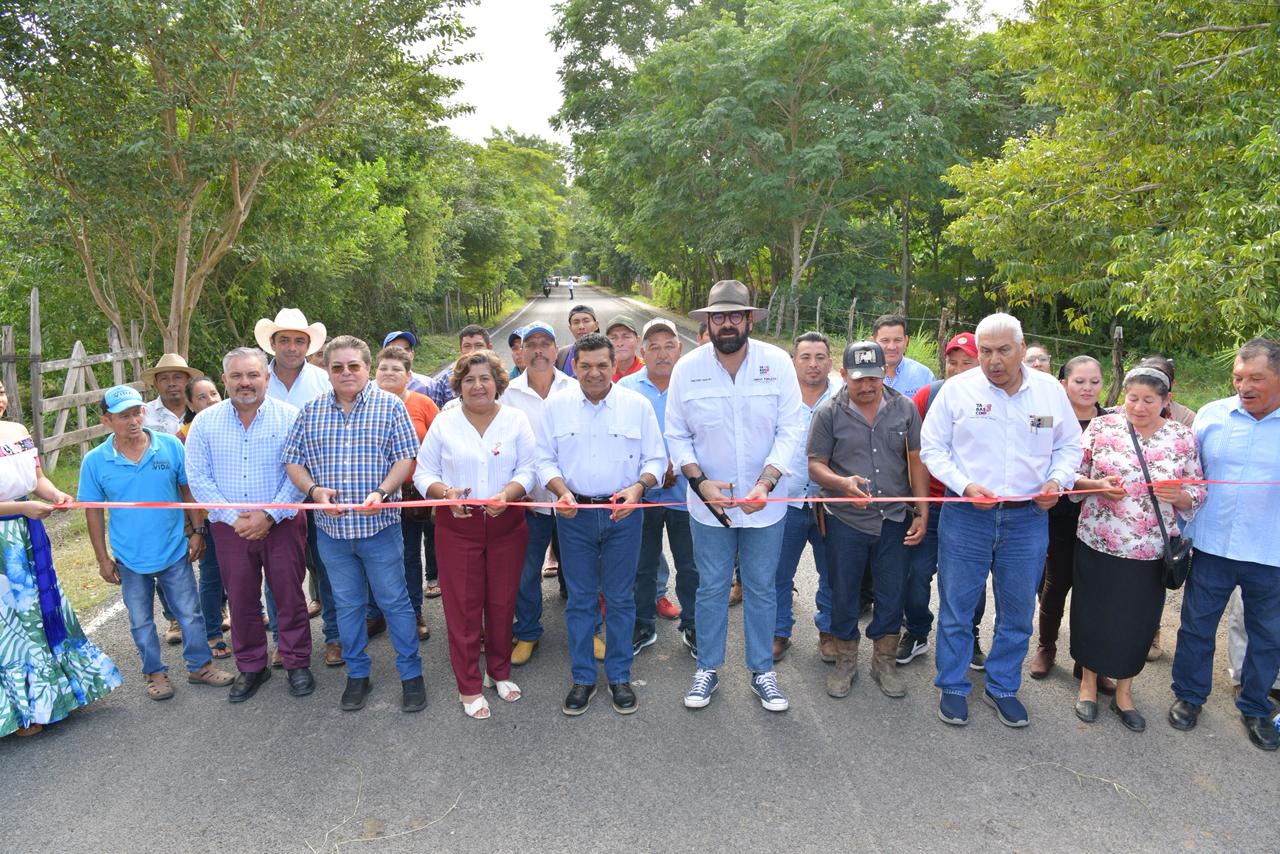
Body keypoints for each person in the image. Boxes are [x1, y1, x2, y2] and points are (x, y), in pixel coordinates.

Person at [920, 312, 1081, 728]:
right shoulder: (957, 391)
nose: (994, 360)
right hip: (966, 515)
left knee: (1017, 610)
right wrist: (965, 485)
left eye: (1003, 350)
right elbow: (932, 449)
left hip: (1028, 519)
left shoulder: (1048, 392)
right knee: (957, 607)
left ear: (1022, 349)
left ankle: (1003, 686)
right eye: (986, 351)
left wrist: (1057, 482)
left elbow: (1069, 446)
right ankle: (953, 685)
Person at [666, 280, 804, 712]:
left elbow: (791, 429)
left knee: (762, 587)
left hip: (765, 505)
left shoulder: (777, 363)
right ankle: (707, 668)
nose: (727, 324)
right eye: (719, 316)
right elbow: (677, 433)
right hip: (710, 508)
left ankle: (763, 672)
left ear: (748, 319)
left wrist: (766, 483)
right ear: (708, 321)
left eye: (735, 316)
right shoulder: (687, 368)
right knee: (710, 588)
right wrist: (700, 483)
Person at [282, 335, 425, 713]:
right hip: (333, 535)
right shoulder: (310, 411)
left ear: (366, 368)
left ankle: (411, 675)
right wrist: (313, 491)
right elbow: (292, 461)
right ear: (326, 371)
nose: (346, 373)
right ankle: (357, 674)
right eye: (337, 367)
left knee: (395, 603)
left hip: (381, 530)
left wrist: (382, 491)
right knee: (347, 606)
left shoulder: (391, 407)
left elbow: (406, 459)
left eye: (354, 366)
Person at [1068, 367, 1205, 731]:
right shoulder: (1102, 428)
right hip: (1098, 538)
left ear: (1166, 401)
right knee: (1091, 613)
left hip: (1150, 549)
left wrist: (1180, 496)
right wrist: (1095, 484)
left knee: (1137, 622)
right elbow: (1070, 476)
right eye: (1132, 399)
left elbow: (1199, 490)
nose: (1139, 407)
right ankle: (1087, 686)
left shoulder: (1181, 438)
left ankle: (1125, 693)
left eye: (1149, 400)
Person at [537, 333, 665, 716]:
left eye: (602, 366)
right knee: (580, 600)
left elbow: (656, 460)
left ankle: (620, 676)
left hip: (622, 515)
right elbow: (544, 461)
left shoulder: (636, 405)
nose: (594, 373)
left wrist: (638, 489)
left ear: (615, 366)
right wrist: (560, 491)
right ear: (574, 366)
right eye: (586, 365)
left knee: (621, 598)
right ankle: (582, 679)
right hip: (574, 516)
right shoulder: (556, 407)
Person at [79, 385, 235, 700]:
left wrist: (197, 531)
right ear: (106, 420)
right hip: (128, 557)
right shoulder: (95, 461)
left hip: (174, 549)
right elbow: (93, 512)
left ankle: (200, 666)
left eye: (137, 412)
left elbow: (186, 489)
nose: (133, 420)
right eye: (124, 416)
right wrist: (102, 559)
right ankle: (155, 673)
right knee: (140, 620)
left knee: (189, 613)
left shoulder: (168, 446)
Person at [186, 348, 315, 703]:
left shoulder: (291, 417)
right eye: (237, 376)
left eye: (253, 375)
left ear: (266, 379)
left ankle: (296, 661)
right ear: (224, 379)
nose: (246, 383)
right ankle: (251, 666)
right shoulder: (205, 423)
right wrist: (234, 519)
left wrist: (269, 515)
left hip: (283, 521)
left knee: (289, 595)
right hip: (231, 529)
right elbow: (198, 478)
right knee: (241, 599)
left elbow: (301, 473)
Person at [1170, 338, 1280, 751]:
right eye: (1238, 377)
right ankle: (1189, 695)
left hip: (1271, 551)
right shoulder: (1213, 416)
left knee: (1267, 635)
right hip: (1213, 545)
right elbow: (1187, 472)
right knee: (1197, 626)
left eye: (1256, 378)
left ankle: (1254, 704)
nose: (1244, 386)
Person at [416, 350, 535, 719]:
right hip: (457, 528)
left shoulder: (516, 420)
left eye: (485, 378)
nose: (478, 386)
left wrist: (510, 493)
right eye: (469, 380)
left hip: (507, 526)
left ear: (498, 383)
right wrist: (444, 493)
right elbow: (423, 474)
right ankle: (468, 684)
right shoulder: (444, 422)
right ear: (458, 386)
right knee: (464, 609)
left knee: (501, 604)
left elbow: (529, 469)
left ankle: (498, 672)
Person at [0, 381, 122, 737]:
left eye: (3, 391)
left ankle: (55, 695)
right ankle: (23, 711)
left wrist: (58, 495)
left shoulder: (17, 431)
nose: (1, 399)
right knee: (12, 622)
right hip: (4, 538)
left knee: (40, 609)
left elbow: (37, 479)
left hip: (26, 532)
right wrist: (24, 507)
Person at [807, 342, 928, 699]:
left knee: (892, 592)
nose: (867, 387)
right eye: (859, 379)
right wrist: (841, 484)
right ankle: (846, 661)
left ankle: (884, 661)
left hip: (894, 519)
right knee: (844, 592)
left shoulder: (904, 409)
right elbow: (815, 464)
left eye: (874, 378)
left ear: (884, 374)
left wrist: (922, 511)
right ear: (843, 375)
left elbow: (916, 460)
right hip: (846, 520)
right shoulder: (828, 413)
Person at [898, 333, 988, 669]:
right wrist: (919, 505)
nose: (959, 368)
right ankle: (918, 630)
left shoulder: (993, 400)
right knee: (916, 573)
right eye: (953, 361)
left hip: (970, 507)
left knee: (969, 578)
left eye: (968, 361)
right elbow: (914, 454)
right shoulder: (928, 395)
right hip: (931, 503)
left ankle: (971, 634)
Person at [257, 308, 341, 666]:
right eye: (285, 340)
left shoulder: (323, 380)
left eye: (299, 341)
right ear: (273, 344)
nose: (292, 347)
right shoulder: (257, 379)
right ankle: (282, 638)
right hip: (273, 492)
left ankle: (335, 637)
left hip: (319, 488)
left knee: (328, 566)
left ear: (308, 345)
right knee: (279, 574)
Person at [621, 318, 700, 658]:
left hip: (688, 496)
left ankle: (694, 624)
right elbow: (622, 440)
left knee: (691, 565)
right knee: (642, 564)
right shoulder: (626, 388)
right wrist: (651, 472)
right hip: (644, 495)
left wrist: (681, 466)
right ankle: (643, 624)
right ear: (643, 351)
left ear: (680, 349)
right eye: (654, 346)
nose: (662, 353)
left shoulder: (695, 383)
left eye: (669, 345)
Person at [1029, 355, 1107, 682]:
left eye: (1094, 381)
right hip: (1058, 515)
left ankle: (1088, 660)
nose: (1087, 388)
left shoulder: (1114, 422)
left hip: (1103, 517)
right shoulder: (1044, 417)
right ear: (1063, 384)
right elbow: (1030, 458)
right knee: (1055, 583)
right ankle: (1046, 647)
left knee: (1095, 591)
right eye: (1079, 381)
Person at [504, 322, 577, 665]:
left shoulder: (574, 388)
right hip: (529, 501)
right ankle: (529, 631)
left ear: (555, 349)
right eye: (529, 343)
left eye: (545, 343)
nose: (537, 350)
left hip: (572, 500)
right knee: (525, 570)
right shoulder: (508, 394)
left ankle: (588, 630)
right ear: (519, 351)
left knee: (581, 570)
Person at [771, 331, 841, 664]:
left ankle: (828, 631)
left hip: (832, 503)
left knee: (833, 573)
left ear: (831, 361)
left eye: (820, 357)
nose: (813, 364)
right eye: (805, 357)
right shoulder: (777, 397)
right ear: (793, 361)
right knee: (778, 573)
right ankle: (778, 631)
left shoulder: (844, 397)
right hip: (786, 500)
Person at [367, 345, 439, 640]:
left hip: (419, 493)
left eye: (397, 369)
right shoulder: (366, 404)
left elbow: (440, 447)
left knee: (413, 554)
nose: (389, 373)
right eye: (383, 368)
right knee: (388, 555)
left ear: (409, 375)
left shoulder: (423, 404)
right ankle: (377, 613)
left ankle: (414, 612)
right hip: (380, 496)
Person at [178, 376, 232, 662]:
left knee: (243, 574)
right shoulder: (184, 435)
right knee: (212, 577)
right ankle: (212, 632)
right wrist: (196, 527)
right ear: (189, 403)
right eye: (201, 396)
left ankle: (254, 616)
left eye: (213, 393)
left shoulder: (232, 423)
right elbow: (188, 487)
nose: (211, 400)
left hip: (238, 514)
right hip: (210, 519)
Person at [420, 325, 492, 410]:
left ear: (489, 348)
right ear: (461, 349)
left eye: (478, 345)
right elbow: (436, 413)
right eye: (467, 346)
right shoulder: (445, 380)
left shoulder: (500, 376)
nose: (473, 351)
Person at [873, 314, 935, 396]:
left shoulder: (924, 376)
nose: (892, 347)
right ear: (873, 341)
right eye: (885, 340)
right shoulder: (863, 375)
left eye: (897, 340)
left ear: (906, 341)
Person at [142, 353, 201, 436]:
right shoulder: (143, 414)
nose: (171, 383)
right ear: (156, 384)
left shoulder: (201, 410)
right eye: (164, 378)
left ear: (188, 381)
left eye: (178, 377)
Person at [381, 330, 433, 395]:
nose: (402, 353)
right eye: (395, 349)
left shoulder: (428, 386)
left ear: (412, 355)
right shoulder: (372, 390)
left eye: (406, 349)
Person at [555, 305, 600, 378]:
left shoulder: (610, 353)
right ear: (570, 328)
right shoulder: (561, 356)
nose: (581, 326)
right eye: (576, 322)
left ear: (596, 325)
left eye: (586, 321)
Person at [604, 315, 645, 381]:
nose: (620, 343)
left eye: (626, 337)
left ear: (637, 340)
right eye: (613, 338)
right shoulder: (602, 372)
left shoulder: (647, 370)